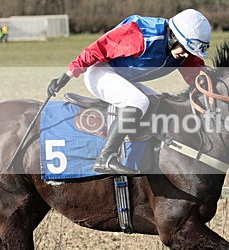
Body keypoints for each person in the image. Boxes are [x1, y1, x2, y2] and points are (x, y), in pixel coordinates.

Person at [47, 9, 211, 175]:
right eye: (185, 49)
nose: (185, 55)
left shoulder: (182, 51)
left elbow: (198, 76)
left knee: (157, 102)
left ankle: (139, 159)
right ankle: (106, 157)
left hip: (123, 78)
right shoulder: (142, 34)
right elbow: (98, 48)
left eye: (190, 52)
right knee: (139, 102)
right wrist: (68, 75)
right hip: (100, 72)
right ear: (174, 36)